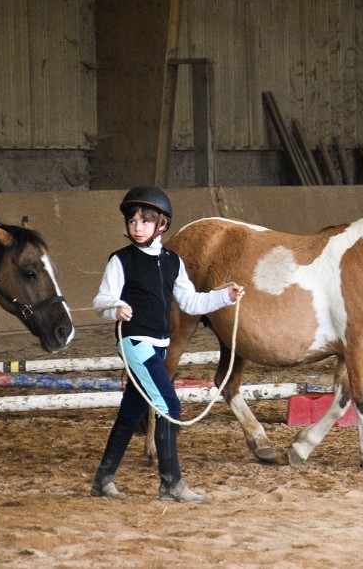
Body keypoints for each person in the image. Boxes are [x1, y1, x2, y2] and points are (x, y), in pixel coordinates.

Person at [90, 186, 244, 503]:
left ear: (161, 225)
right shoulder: (121, 261)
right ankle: (171, 484)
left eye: (145, 221)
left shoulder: (171, 261)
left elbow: (190, 301)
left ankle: (102, 480)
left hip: (159, 344)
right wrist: (115, 308)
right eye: (133, 221)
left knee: (131, 412)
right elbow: (101, 300)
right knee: (170, 407)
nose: (137, 226)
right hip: (135, 342)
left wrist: (224, 297)